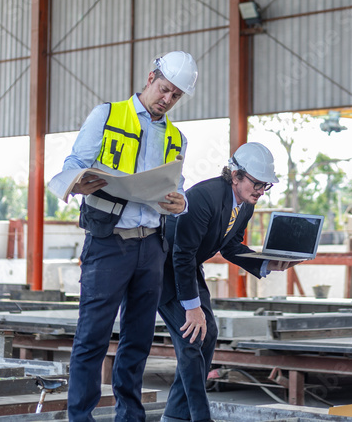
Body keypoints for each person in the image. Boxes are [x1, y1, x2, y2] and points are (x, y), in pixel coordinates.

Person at [61, 51, 198, 422]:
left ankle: (130, 417)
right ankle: (81, 417)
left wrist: (179, 203)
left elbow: (177, 189)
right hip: (109, 244)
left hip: (151, 245)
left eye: (175, 96)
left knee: (137, 342)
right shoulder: (106, 115)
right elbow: (73, 164)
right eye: (164, 90)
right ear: (150, 77)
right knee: (92, 338)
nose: (166, 100)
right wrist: (80, 181)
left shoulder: (176, 137)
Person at [158, 142, 297, 422]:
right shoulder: (203, 197)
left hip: (186, 266)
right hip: (161, 268)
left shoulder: (244, 204)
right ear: (235, 176)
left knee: (208, 334)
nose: (260, 191)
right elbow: (181, 254)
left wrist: (268, 263)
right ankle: (199, 416)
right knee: (192, 338)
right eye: (257, 184)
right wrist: (191, 307)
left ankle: (175, 415)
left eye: (265, 186)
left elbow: (231, 245)